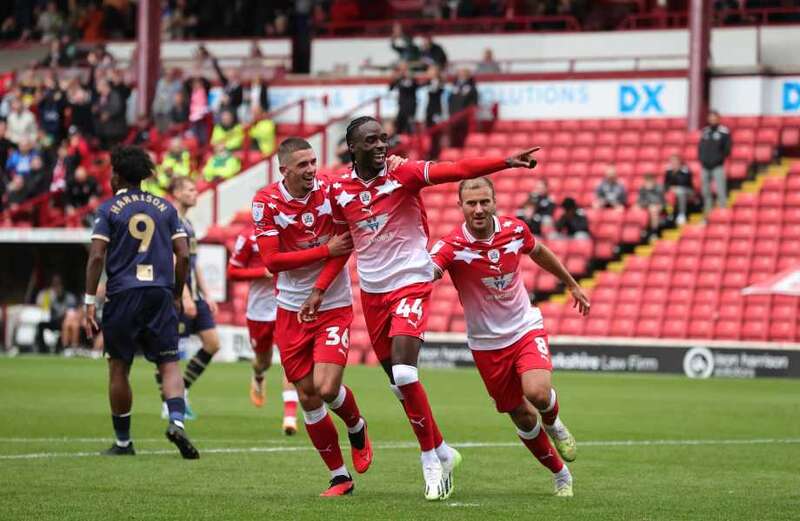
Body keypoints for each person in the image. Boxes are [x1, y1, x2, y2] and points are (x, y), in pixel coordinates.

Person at [302, 116, 540, 500]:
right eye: (372, 140)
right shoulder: (337, 190)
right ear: (352, 147)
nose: (382, 145)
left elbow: (457, 170)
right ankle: (444, 450)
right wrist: (318, 289)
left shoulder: (404, 174)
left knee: (404, 371)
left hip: (412, 280)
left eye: (384, 138)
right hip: (373, 293)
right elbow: (340, 244)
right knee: (398, 384)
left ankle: (430, 459)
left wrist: (505, 161)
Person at [430, 177, 588, 497]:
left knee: (539, 393)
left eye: (484, 201)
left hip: (523, 327)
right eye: (471, 203)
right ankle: (560, 474)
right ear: (460, 206)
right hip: (486, 345)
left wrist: (571, 283)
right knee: (521, 415)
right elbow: (428, 271)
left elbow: (540, 252)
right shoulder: (451, 246)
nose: (478, 209)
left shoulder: (515, 230)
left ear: (495, 201)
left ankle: (555, 423)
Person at [251, 137, 373, 497]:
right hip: (290, 309)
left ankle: (356, 425)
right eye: (302, 165)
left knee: (327, 387)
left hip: (332, 303)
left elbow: (344, 247)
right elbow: (271, 262)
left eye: (313, 162)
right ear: (284, 170)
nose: (310, 170)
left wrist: (319, 290)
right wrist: (322, 250)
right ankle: (339, 476)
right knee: (307, 395)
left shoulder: (331, 193)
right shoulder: (266, 202)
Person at [82, 145, 198, 459]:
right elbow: (184, 255)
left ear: (116, 174)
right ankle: (176, 421)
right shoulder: (166, 208)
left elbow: (96, 256)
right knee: (169, 363)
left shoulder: (108, 209)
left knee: (119, 367)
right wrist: (176, 291)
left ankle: (123, 442)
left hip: (122, 294)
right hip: (159, 292)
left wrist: (90, 301)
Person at [156, 177, 220, 420]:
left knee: (212, 343)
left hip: (193, 294)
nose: (196, 194)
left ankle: (179, 393)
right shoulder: (169, 219)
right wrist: (184, 295)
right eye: (191, 190)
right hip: (177, 295)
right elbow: (173, 260)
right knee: (171, 351)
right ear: (177, 192)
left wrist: (206, 294)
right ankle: (169, 402)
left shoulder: (188, 224)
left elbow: (194, 262)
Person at [227, 225, 299, 435]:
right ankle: (258, 374)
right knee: (263, 361)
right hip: (259, 311)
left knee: (290, 360)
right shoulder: (248, 236)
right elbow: (232, 272)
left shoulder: (290, 230)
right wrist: (262, 272)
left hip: (287, 304)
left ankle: (290, 416)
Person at [698, 110, 732, 213]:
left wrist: (719, 159)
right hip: (705, 166)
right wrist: (702, 159)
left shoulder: (724, 132)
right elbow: (700, 147)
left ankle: (723, 211)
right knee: (705, 191)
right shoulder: (705, 131)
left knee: (720, 189)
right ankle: (708, 212)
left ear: (718, 118)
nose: (712, 119)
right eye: (711, 117)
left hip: (717, 166)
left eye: (714, 117)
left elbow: (727, 149)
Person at [35, 274, 78, 353]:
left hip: (65, 322)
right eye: (55, 286)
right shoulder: (53, 297)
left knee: (66, 324)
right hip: (55, 321)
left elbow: (72, 313)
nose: (57, 289)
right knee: (41, 325)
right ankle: (43, 349)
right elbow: (50, 311)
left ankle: (65, 347)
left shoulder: (70, 298)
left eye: (59, 285)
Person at [448, 68, 479, 147]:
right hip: (454, 114)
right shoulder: (454, 85)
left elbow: (474, 101)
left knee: (462, 134)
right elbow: (450, 100)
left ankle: (461, 148)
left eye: (464, 73)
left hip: (464, 115)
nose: (462, 75)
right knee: (453, 133)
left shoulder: (471, 86)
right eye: (460, 73)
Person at [663, 154, 694, 225]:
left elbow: (684, 182)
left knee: (680, 191)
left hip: (688, 190)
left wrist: (677, 172)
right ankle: (668, 214)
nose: (673, 163)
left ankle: (682, 214)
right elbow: (666, 183)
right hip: (673, 190)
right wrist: (670, 188)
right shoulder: (669, 171)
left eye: (675, 161)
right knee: (662, 191)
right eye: (672, 161)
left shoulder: (685, 170)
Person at [389, 62, 419, 135]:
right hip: (402, 105)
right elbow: (391, 88)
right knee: (399, 124)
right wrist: (394, 78)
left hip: (411, 106)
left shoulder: (412, 79)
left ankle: (411, 140)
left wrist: (409, 78)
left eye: (404, 69)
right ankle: (398, 140)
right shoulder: (399, 79)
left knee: (410, 125)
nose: (403, 71)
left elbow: (415, 87)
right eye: (401, 69)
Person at [637, 174, 666, 239]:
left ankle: (654, 232)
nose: (648, 183)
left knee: (653, 210)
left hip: (658, 207)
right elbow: (640, 201)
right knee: (636, 209)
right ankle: (641, 230)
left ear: (654, 181)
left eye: (650, 181)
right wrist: (647, 205)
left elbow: (662, 202)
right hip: (646, 206)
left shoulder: (659, 188)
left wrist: (654, 205)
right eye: (647, 181)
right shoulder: (642, 189)